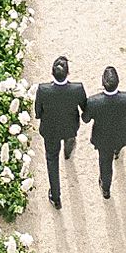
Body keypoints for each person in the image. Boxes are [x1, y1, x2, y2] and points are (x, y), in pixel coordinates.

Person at [34, 56, 88, 210]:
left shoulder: (43, 89)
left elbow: (38, 112)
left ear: (52, 73)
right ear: (68, 73)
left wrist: (41, 116)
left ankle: (56, 197)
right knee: (70, 139)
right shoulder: (77, 88)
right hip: (70, 127)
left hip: (50, 130)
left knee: (52, 160)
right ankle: (67, 152)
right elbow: (84, 107)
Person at [85, 65, 126, 197]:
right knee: (117, 148)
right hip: (121, 135)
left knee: (105, 164)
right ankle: (117, 152)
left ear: (102, 83)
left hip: (102, 139)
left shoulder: (94, 101)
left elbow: (86, 119)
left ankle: (106, 188)